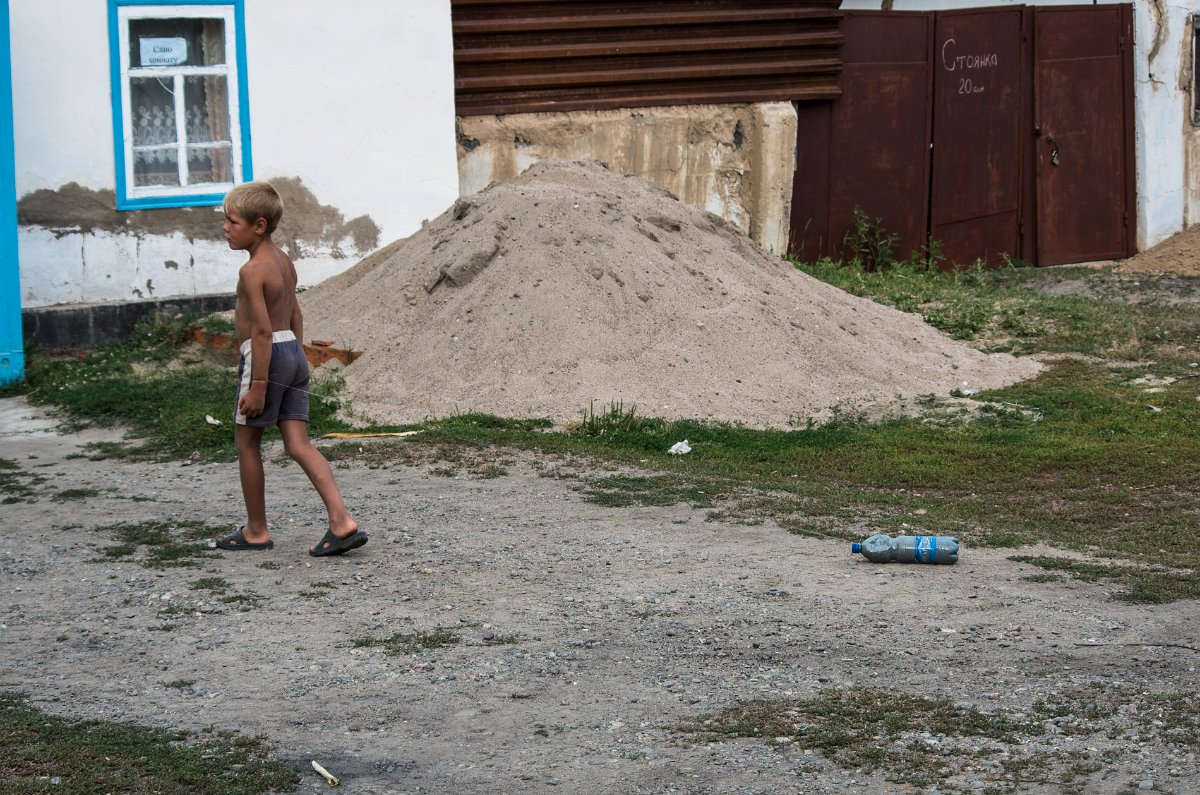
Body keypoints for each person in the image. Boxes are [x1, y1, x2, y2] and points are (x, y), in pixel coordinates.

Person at [215, 181, 368, 557]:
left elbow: (261, 330)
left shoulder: (252, 270)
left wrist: (259, 384)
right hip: (292, 353)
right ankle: (341, 521)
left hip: (265, 357)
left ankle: (256, 530)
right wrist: (297, 358)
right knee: (299, 444)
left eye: (233, 221)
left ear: (259, 226)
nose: (226, 227)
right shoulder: (284, 261)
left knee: (247, 443)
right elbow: (296, 313)